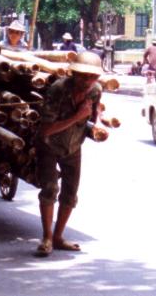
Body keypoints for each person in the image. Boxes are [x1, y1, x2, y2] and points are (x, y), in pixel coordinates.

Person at [35, 51, 104, 256]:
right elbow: (46, 130)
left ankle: (58, 237)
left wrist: (98, 122)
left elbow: (96, 109)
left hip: (74, 146)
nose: (88, 81)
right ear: (74, 74)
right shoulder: (58, 90)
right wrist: (77, 116)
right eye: (83, 76)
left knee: (70, 193)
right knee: (49, 189)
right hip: (49, 144)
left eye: (92, 77)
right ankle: (47, 237)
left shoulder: (95, 89)